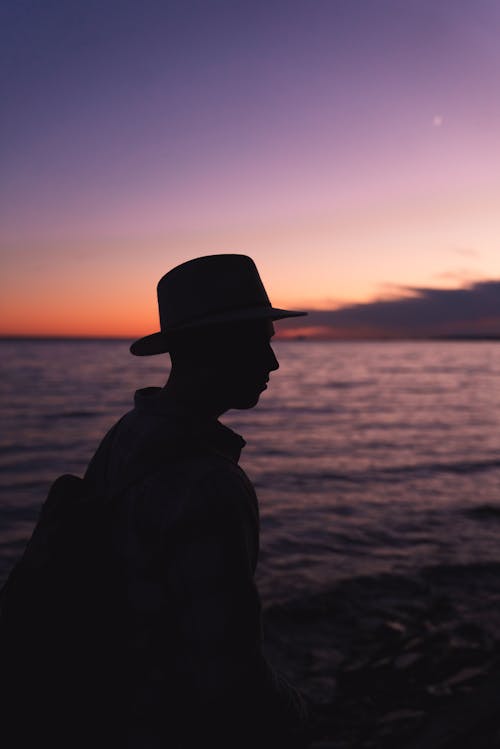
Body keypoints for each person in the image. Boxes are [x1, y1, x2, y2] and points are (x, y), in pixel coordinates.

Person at [84, 254, 312, 748]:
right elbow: (228, 671)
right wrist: (294, 712)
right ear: (210, 348)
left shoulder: (126, 434)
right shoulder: (207, 484)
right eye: (259, 342)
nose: (273, 363)